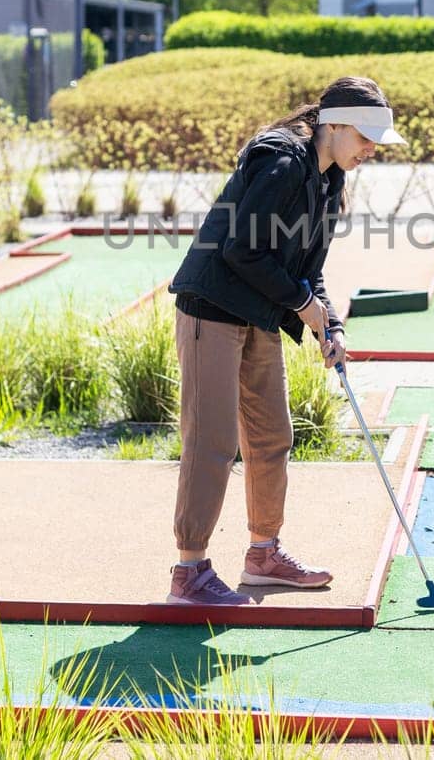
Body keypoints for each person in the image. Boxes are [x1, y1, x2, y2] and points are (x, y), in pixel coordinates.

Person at [164, 77, 406, 605]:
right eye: (364, 138)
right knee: (213, 442)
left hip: (257, 313)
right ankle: (190, 572)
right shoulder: (284, 159)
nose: (369, 150)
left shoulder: (329, 180)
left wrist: (330, 325)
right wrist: (302, 306)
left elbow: (308, 269)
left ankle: (263, 555)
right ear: (334, 123)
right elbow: (241, 250)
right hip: (211, 307)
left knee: (271, 437)